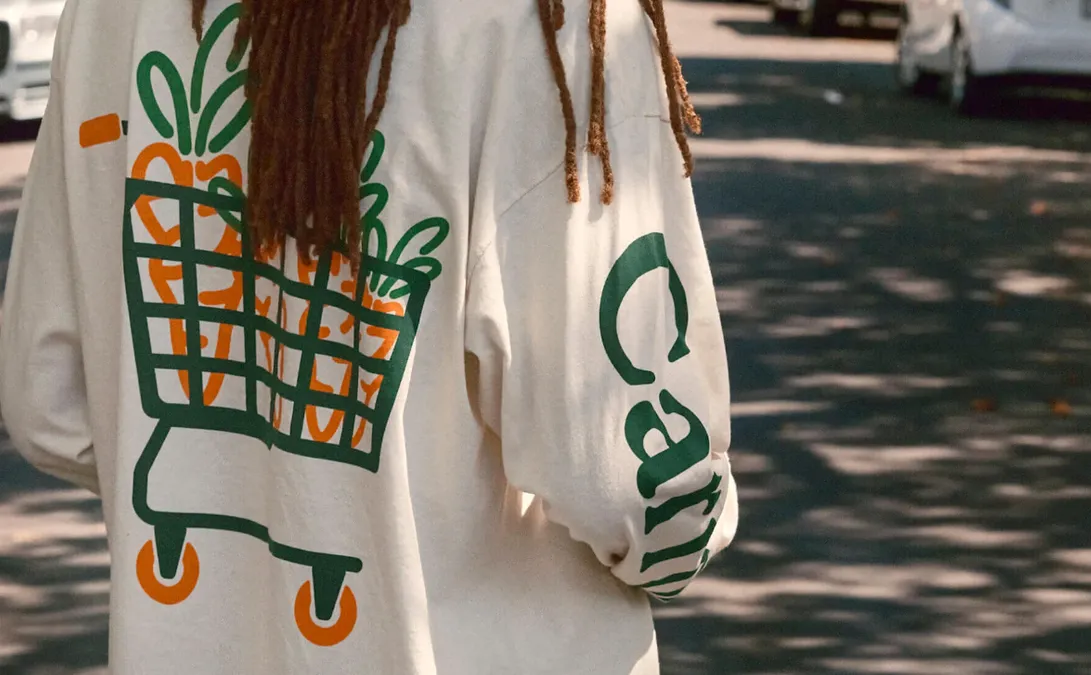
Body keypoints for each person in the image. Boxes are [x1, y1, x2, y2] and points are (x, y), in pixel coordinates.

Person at [0, 0, 738, 672]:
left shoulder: (108, 11)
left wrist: (230, 489)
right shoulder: (548, 22)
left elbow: (50, 407)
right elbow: (643, 491)